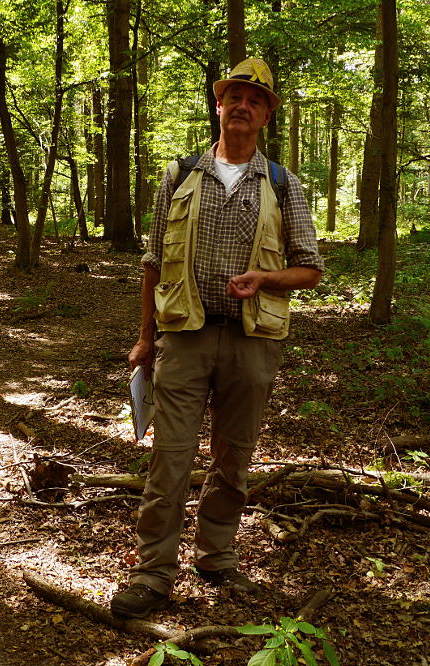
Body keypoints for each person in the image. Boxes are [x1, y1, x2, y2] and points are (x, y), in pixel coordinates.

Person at [111, 59, 324, 619]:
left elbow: (310, 269)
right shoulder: (180, 174)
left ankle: (217, 555)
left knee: (233, 459)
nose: (243, 106)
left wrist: (264, 279)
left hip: (253, 341)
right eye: (235, 95)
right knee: (170, 459)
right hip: (183, 338)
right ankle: (153, 572)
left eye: (255, 99)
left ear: (267, 114)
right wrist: (144, 339)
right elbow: (154, 261)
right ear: (219, 104)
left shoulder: (283, 184)